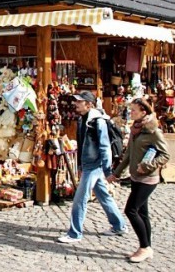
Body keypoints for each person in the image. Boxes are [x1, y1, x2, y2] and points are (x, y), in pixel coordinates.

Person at [58, 91, 128, 244]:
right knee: (103, 195)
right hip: (88, 164)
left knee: (80, 199)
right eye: (76, 101)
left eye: (79, 101)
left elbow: (105, 146)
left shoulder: (98, 121)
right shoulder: (82, 119)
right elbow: (82, 144)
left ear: (89, 104)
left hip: (94, 165)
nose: (75, 104)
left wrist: (108, 170)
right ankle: (119, 225)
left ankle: (75, 233)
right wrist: (80, 165)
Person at [108, 98, 170, 263]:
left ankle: (145, 248)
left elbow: (165, 155)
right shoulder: (135, 129)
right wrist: (116, 174)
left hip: (148, 178)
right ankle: (146, 247)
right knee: (142, 213)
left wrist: (148, 165)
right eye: (131, 110)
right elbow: (128, 155)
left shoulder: (153, 131)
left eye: (134, 110)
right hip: (135, 177)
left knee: (131, 210)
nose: (131, 113)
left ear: (144, 112)